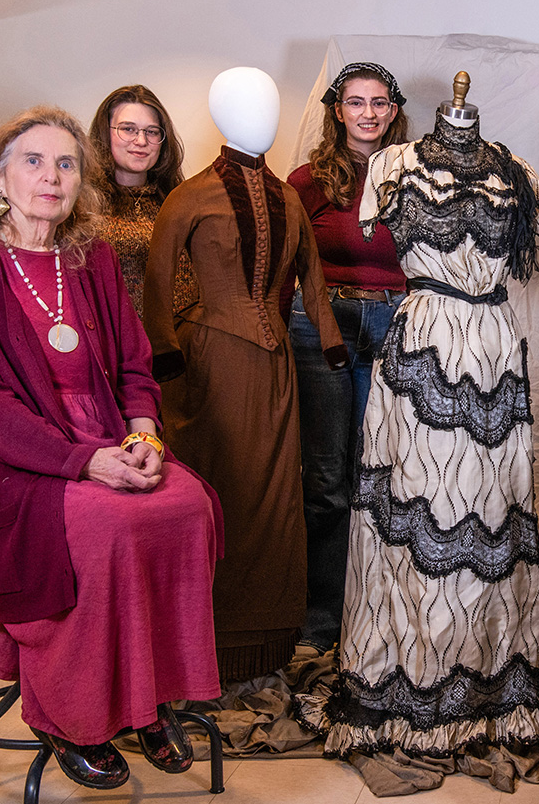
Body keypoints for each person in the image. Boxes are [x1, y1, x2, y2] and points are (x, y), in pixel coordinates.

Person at [0, 106, 222, 790]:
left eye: (66, 164)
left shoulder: (92, 258)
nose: (51, 177)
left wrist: (142, 434)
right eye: (32, 161)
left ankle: (146, 696)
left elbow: (136, 367)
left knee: (187, 503)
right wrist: (84, 461)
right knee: (100, 524)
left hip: (101, 435)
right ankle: (69, 713)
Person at [303, 80, 539, 779]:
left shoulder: (515, 169)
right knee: (419, 509)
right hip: (422, 339)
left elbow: (534, 232)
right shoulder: (391, 164)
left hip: (494, 344)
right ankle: (413, 668)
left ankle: (483, 668)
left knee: (489, 511)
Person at [144, 67, 345, 683]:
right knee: (216, 491)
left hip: (276, 365)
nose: (260, 116)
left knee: (276, 501)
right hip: (207, 365)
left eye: (266, 105)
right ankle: (200, 643)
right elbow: (157, 278)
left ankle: (267, 644)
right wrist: (163, 348)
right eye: (244, 104)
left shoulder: (288, 196)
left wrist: (331, 340)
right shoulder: (190, 195)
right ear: (220, 113)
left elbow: (311, 272)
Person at [286, 62, 409, 651]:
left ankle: (379, 615)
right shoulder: (310, 180)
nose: (368, 113)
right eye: (356, 102)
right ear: (338, 111)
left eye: (379, 102)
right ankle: (322, 619)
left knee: (384, 476)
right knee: (329, 479)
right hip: (321, 325)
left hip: (394, 325)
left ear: (393, 110)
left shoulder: (416, 176)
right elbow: (279, 260)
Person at [87, 84, 187, 318]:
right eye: (128, 129)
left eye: (152, 131)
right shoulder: (83, 205)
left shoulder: (178, 200)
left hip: (178, 344)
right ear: (105, 132)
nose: (141, 141)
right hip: (114, 346)